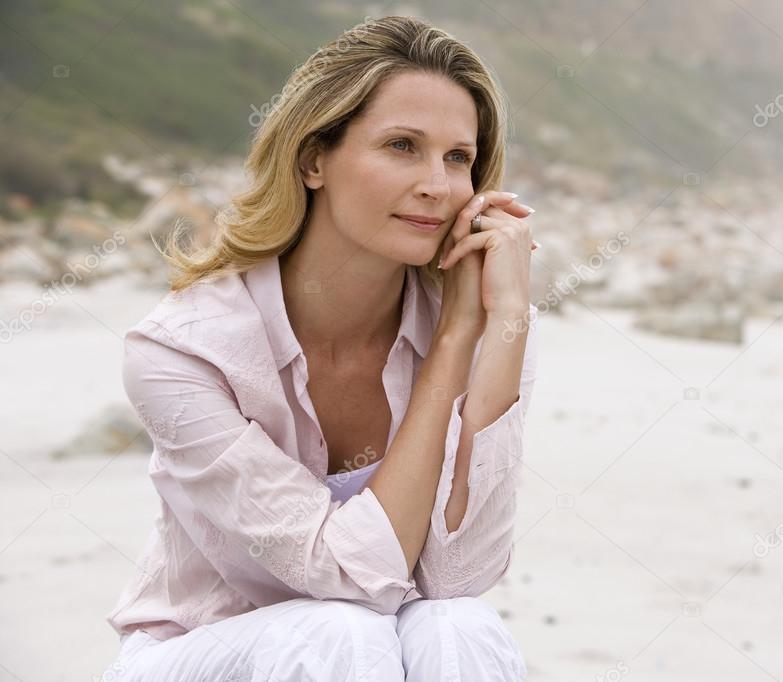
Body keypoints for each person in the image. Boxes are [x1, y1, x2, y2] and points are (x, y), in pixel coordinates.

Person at [100, 14, 539, 680]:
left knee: (459, 627)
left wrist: (481, 328)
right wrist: (457, 344)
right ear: (312, 160)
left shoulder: (484, 328)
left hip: (373, 653)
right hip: (207, 651)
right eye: (401, 145)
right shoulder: (183, 353)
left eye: (458, 157)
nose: (438, 185)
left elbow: (459, 574)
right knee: (338, 633)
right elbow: (340, 576)